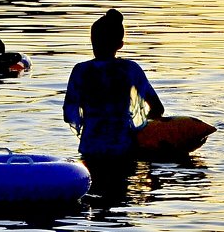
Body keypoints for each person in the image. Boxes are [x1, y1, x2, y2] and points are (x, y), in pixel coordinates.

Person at [63, 9, 165, 164]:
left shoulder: (81, 71)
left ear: (92, 41)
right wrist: (142, 132)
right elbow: (157, 109)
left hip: (91, 149)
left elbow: (68, 114)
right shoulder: (130, 69)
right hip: (123, 148)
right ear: (120, 44)